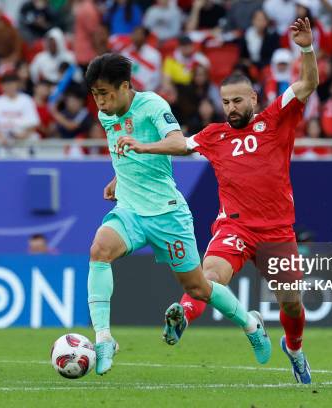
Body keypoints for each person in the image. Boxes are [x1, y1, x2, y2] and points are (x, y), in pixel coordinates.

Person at [117, 17, 318, 384]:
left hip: (276, 230)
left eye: (238, 101)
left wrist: (305, 48)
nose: (231, 108)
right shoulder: (214, 135)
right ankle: (182, 316)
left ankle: (295, 349)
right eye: (226, 102)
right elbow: (178, 144)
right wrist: (141, 150)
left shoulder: (276, 118)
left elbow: (307, 83)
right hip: (235, 226)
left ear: (254, 99)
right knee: (208, 275)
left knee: (291, 303)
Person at [85, 53, 270, 376]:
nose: (99, 101)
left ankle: (251, 323)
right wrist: (119, 176)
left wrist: (144, 147)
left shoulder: (153, 105)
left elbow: (178, 143)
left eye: (105, 93)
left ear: (125, 87)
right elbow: (125, 153)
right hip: (130, 209)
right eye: (95, 94)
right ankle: (103, 339)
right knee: (100, 250)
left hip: (167, 214)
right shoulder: (106, 115)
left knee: (198, 287)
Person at [0, 73, 40, 157]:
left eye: (12, 84)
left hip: (23, 142)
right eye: (6, 84)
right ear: (2, 86)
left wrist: (23, 135)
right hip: (4, 142)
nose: (9, 87)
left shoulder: (26, 100)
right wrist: (0, 136)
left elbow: (34, 123)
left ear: (17, 84)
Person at [121, 26, 162, 92]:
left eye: (138, 34)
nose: (135, 36)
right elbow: (121, 73)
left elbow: (156, 78)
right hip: (128, 91)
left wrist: (145, 92)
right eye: (134, 33)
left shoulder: (154, 54)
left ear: (145, 37)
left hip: (146, 93)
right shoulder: (126, 52)